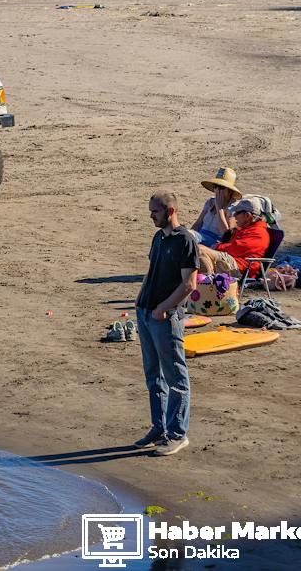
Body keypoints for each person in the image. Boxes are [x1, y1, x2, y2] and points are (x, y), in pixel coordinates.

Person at [136, 191, 198, 455]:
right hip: (146, 312)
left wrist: (163, 308)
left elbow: (189, 284)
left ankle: (177, 433)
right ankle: (158, 427)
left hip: (165, 317)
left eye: (155, 212)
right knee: (153, 376)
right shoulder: (159, 237)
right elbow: (153, 272)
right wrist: (142, 303)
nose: (151, 216)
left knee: (175, 376)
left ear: (170, 211)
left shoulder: (185, 241)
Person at [213, 199, 272, 272]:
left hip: (241, 266)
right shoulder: (246, 229)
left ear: (247, 215)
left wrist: (216, 247)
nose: (234, 215)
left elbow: (236, 248)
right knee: (200, 253)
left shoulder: (258, 233)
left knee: (202, 251)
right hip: (233, 261)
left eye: (237, 213)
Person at [191, 168, 243, 246]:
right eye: (216, 186)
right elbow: (198, 223)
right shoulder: (210, 202)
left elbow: (226, 235)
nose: (218, 190)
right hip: (200, 235)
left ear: (230, 191)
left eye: (221, 187)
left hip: (216, 241)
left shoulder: (233, 208)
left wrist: (219, 208)